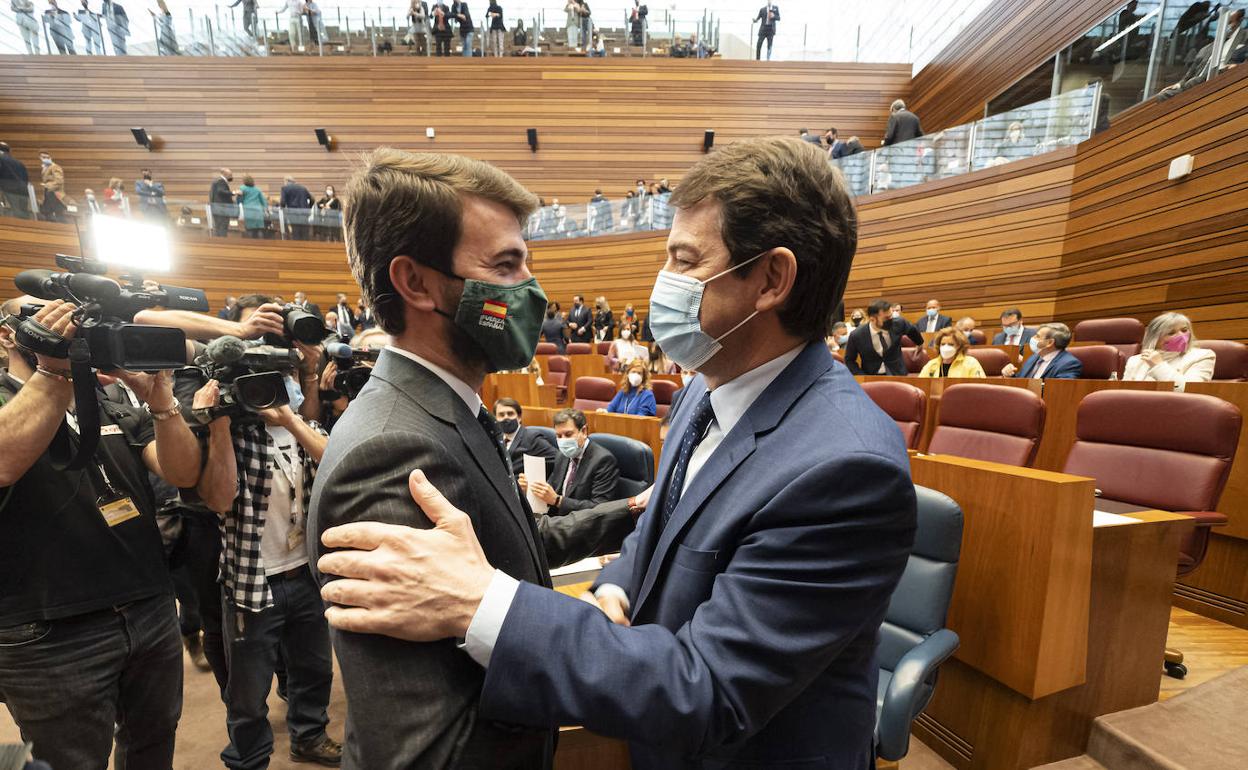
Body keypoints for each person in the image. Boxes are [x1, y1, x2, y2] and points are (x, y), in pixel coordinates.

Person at [313, 137, 916, 770]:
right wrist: (617, 588)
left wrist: (481, 603)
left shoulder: (847, 469)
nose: (663, 283)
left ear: (770, 280)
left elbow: (708, 691)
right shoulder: (707, 390)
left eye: (684, 260)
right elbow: (661, 525)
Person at [303, 148, 558, 767]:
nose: (529, 289)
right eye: (505, 265)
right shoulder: (395, 453)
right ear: (415, 282)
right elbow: (423, 752)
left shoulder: (448, 407)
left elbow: (506, 551)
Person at [0, 296, 205, 769]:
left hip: (148, 608)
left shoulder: (107, 403)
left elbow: (181, 471)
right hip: (51, 630)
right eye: (44, 316)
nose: (69, 326)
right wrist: (52, 372)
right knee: (71, 761)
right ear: (10, 334)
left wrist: (163, 403)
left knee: (153, 745)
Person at [195, 367, 343, 768]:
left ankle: (309, 736)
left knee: (314, 669)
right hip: (252, 581)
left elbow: (337, 466)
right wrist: (220, 427)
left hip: (308, 575)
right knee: (248, 689)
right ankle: (249, 757)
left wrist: (291, 420)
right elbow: (219, 500)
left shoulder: (305, 429)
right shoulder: (236, 437)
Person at [519, 407, 619, 515]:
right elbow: (551, 490)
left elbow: (599, 507)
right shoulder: (562, 455)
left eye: (568, 434)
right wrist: (530, 489)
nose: (563, 441)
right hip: (559, 519)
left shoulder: (603, 460)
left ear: (584, 431)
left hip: (583, 523)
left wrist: (558, 500)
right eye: (558, 436)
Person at [1122, 312, 1215, 388]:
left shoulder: (1202, 356)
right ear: (1155, 338)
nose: (1181, 336)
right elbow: (1125, 393)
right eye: (1171, 333)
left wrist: (1159, 366)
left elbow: (1190, 391)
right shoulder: (1135, 360)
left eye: (1184, 330)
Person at [843, 298, 924, 375]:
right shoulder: (856, 335)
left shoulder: (899, 323)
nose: (891, 320)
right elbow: (849, 360)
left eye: (891, 316)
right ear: (872, 319)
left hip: (897, 374)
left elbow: (912, 330)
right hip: (871, 376)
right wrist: (861, 375)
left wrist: (920, 343)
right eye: (886, 318)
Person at [494, 397, 557, 477]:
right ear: (495, 418)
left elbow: (558, 460)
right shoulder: (495, 438)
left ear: (519, 417)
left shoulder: (532, 438)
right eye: (501, 415)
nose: (506, 417)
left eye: (510, 414)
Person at [1001, 322, 1082, 379]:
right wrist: (1009, 375)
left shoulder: (1069, 364)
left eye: (1037, 336)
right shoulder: (1034, 357)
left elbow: (1059, 391)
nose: (1033, 338)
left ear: (1049, 342)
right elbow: (1021, 382)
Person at [919, 327, 986, 378]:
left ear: (959, 346)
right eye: (942, 344)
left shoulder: (971, 363)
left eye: (951, 344)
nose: (946, 347)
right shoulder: (931, 364)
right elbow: (920, 386)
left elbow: (980, 388)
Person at [0, 142, 31, 219]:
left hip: (9, 191)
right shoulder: (19, 163)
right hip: (23, 191)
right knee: (23, 215)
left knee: (12, 215)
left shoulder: (1, 159)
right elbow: (26, 179)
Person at [37, 151, 68, 223]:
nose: (46, 159)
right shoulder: (45, 168)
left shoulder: (55, 167)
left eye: (47, 157)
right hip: (48, 193)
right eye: (43, 157)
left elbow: (59, 181)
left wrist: (47, 185)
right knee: (46, 213)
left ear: (50, 157)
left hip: (55, 193)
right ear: (40, 158)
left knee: (59, 214)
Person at [236, 174, 268, 239]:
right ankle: (260, 245)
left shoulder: (242, 188)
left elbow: (239, 199)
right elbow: (263, 200)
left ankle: (251, 245)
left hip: (248, 210)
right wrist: (266, 209)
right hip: (258, 210)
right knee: (258, 229)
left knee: (250, 229)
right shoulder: (257, 189)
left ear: (244, 181)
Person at [211, 167, 235, 237]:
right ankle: (222, 242)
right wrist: (234, 192)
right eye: (230, 175)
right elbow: (221, 191)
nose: (231, 177)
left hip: (217, 208)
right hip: (222, 209)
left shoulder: (216, 181)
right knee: (223, 227)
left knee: (219, 227)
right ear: (225, 174)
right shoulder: (221, 181)